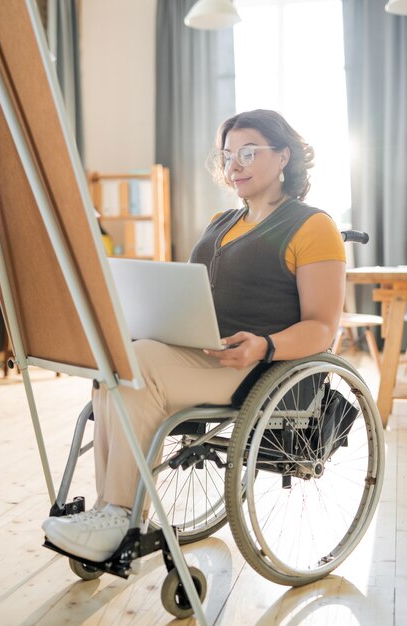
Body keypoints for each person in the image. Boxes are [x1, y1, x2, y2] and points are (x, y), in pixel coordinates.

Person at [42, 109, 346, 562]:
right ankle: (110, 509)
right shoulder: (220, 223)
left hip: (262, 367)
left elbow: (323, 328)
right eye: (227, 155)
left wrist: (265, 345)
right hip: (203, 354)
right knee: (116, 359)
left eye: (247, 152)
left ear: (283, 156)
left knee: (139, 365)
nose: (234, 165)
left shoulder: (311, 226)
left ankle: (120, 513)